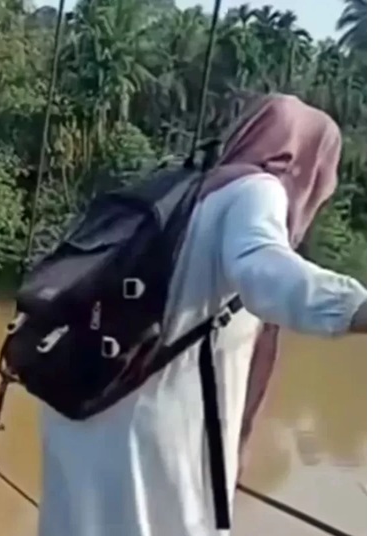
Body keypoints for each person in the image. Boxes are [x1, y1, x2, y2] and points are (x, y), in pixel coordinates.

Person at [37, 94, 368, 536]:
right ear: (301, 162)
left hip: (83, 409)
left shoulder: (185, 189)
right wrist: (358, 308)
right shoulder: (257, 190)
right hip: (151, 437)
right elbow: (265, 272)